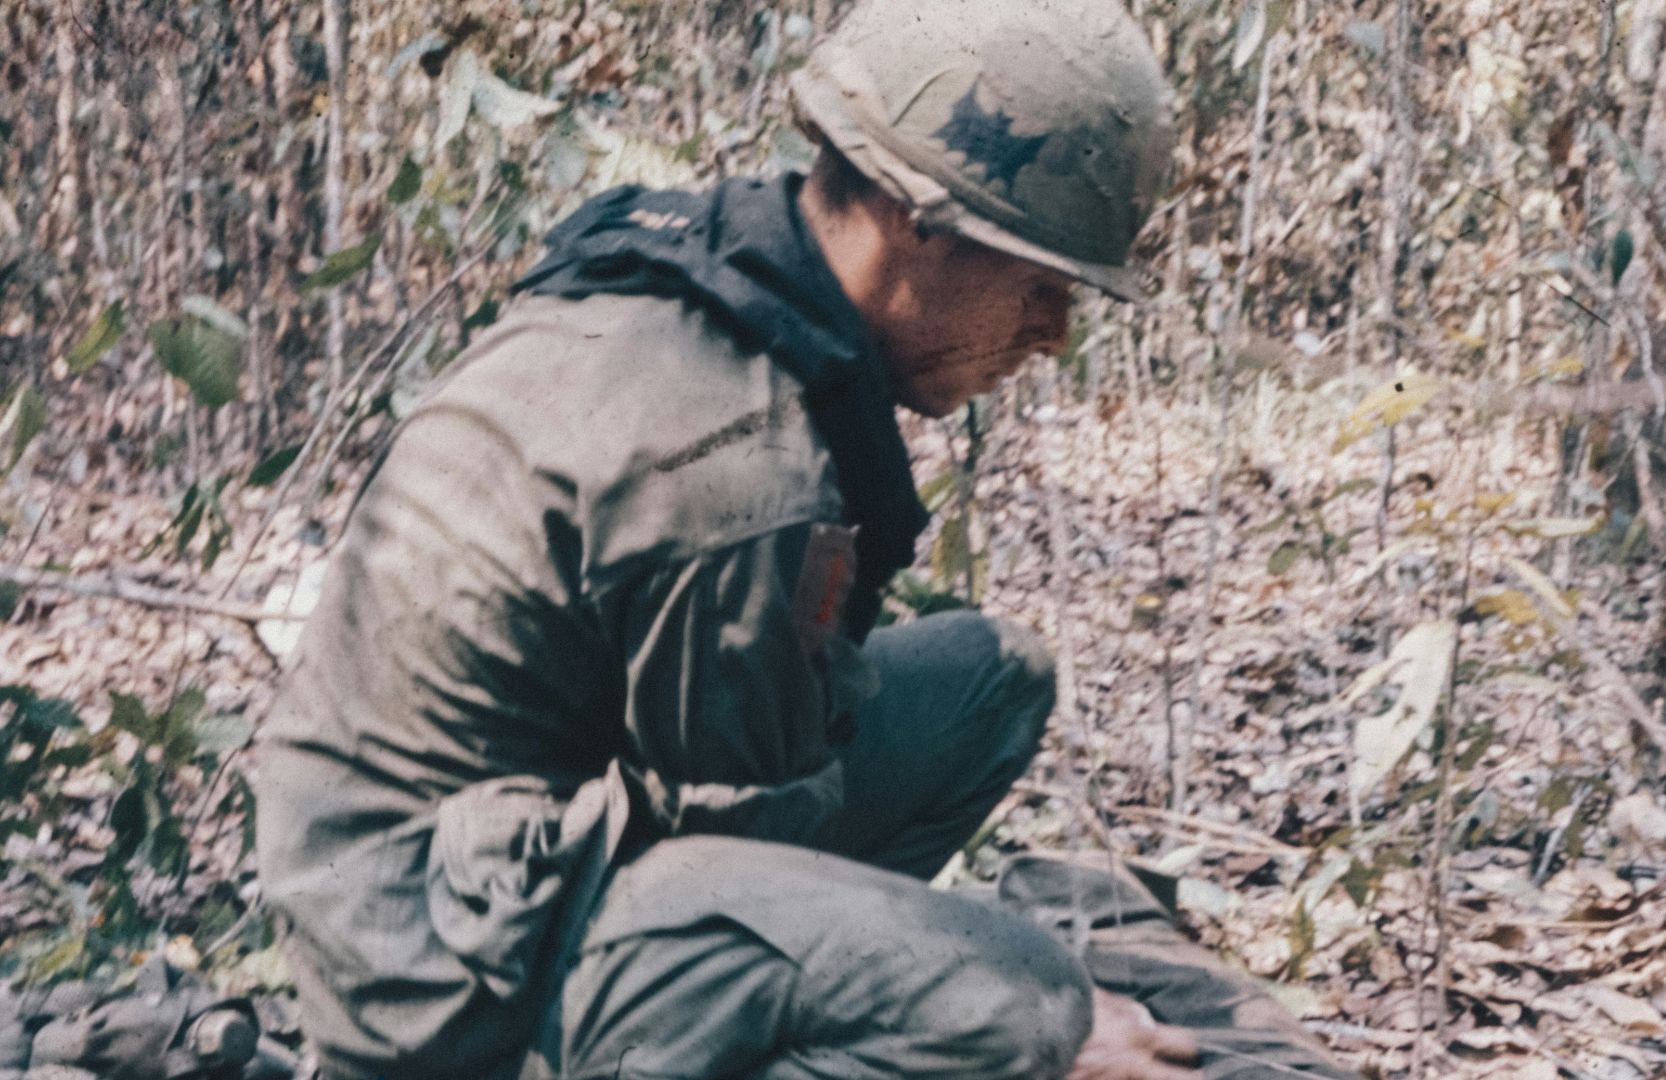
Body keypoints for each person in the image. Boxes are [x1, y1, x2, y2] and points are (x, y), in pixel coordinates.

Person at [256, 1, 1354, 1078]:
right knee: (1023, 1005)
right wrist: (1033, 1020)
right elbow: (742, 846)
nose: (1053, 337)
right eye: (1038, 287)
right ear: (919, 219)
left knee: (991, 678)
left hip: (493, 858)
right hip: (433, 986)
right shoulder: (735, 466)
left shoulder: (722, 275)